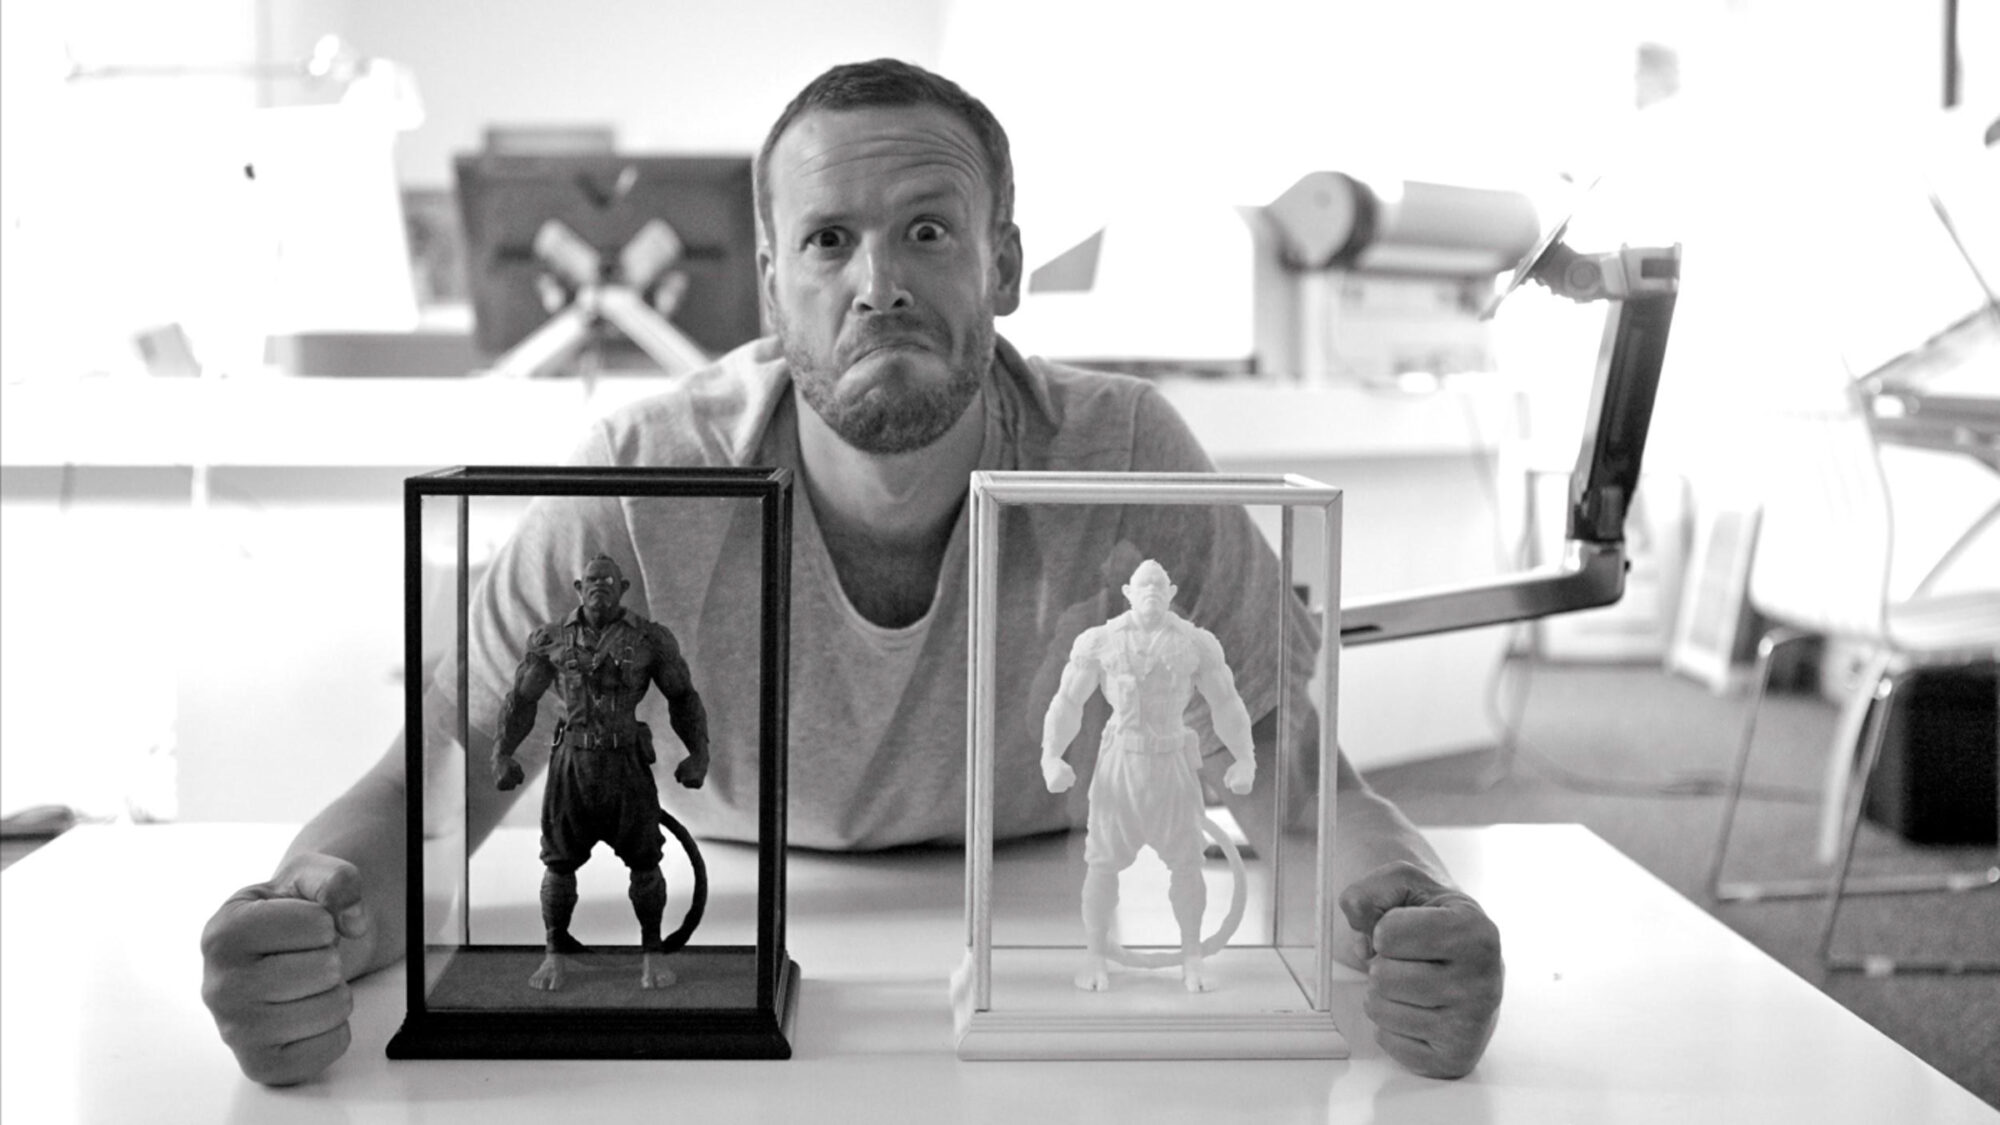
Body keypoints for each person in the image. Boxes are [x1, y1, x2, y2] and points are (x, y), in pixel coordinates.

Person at [199, 57, 1502, 1086]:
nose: (877, 282)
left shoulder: (1125, 459)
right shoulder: (638, 481)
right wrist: (319, 913)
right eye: (828, 241)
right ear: (772, 282)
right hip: (733, 924)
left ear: (1003, 262)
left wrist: (1406, 914)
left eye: (929, 231)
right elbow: (424, 781)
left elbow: (1302, 790)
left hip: (1046, 924)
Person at [492, 553, 710, 992]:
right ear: (577, 587)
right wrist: (503, 752)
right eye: (592, 580)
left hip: (626, 766)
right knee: (558, 864)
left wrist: (698, 754)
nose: (600, 586)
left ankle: (652, 955)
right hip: (571, 766)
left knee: (646, 863)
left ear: (624, 587)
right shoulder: (550, 639)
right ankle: (555, 954)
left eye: (609, 580)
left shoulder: (651, 639)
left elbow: (682, 697)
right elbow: (522, 698)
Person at [1041, 559, 1256, 994]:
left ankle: (1192, 957)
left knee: (1187, 863)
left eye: (1159, 584)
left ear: (1172, 591)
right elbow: (1067, 702)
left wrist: (1245, 757)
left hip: (1171, 764)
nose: (1152, 590)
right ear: (1127, 590)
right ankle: (1095, 955)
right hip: (1120, 763)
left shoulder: (1196, 644)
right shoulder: (1100, 642)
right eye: (1144, 584)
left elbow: (1227, 703)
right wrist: (1051, 756)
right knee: (1101, 864)